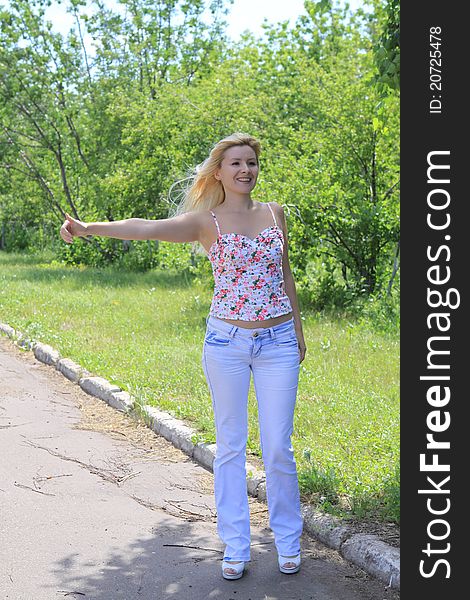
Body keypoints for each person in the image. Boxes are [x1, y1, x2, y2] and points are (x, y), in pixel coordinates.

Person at [60, 132, 307, 580]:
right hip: (227, 344)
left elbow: (283, 272)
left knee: (277, 448)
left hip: (278, 344)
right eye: (235, 163)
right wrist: (88, 227)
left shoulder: (275, 214)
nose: (245, 170)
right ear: (219, 171)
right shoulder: (205, 222)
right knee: (231, 448)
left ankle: (288, 541)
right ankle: (236, 547)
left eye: (251, 162)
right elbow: (146, 227)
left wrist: (298, 332)